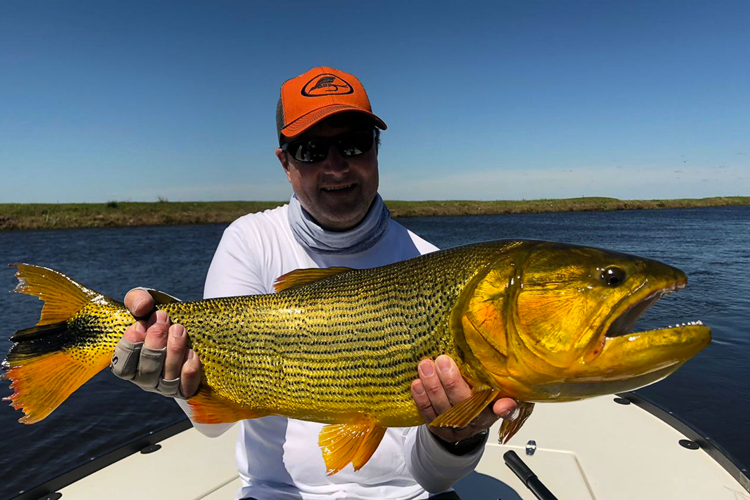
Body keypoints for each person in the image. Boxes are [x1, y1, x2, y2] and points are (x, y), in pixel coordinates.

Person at [113, 66, 518, 500]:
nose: (336, 164)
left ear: (376, 150)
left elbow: (433, 479)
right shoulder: (249, 241)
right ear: (285, 163)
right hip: (278, 492)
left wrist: (456, 436)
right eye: (310, 149)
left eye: (354, 143)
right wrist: (172, 376)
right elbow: (216, 424)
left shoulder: (432, 266)